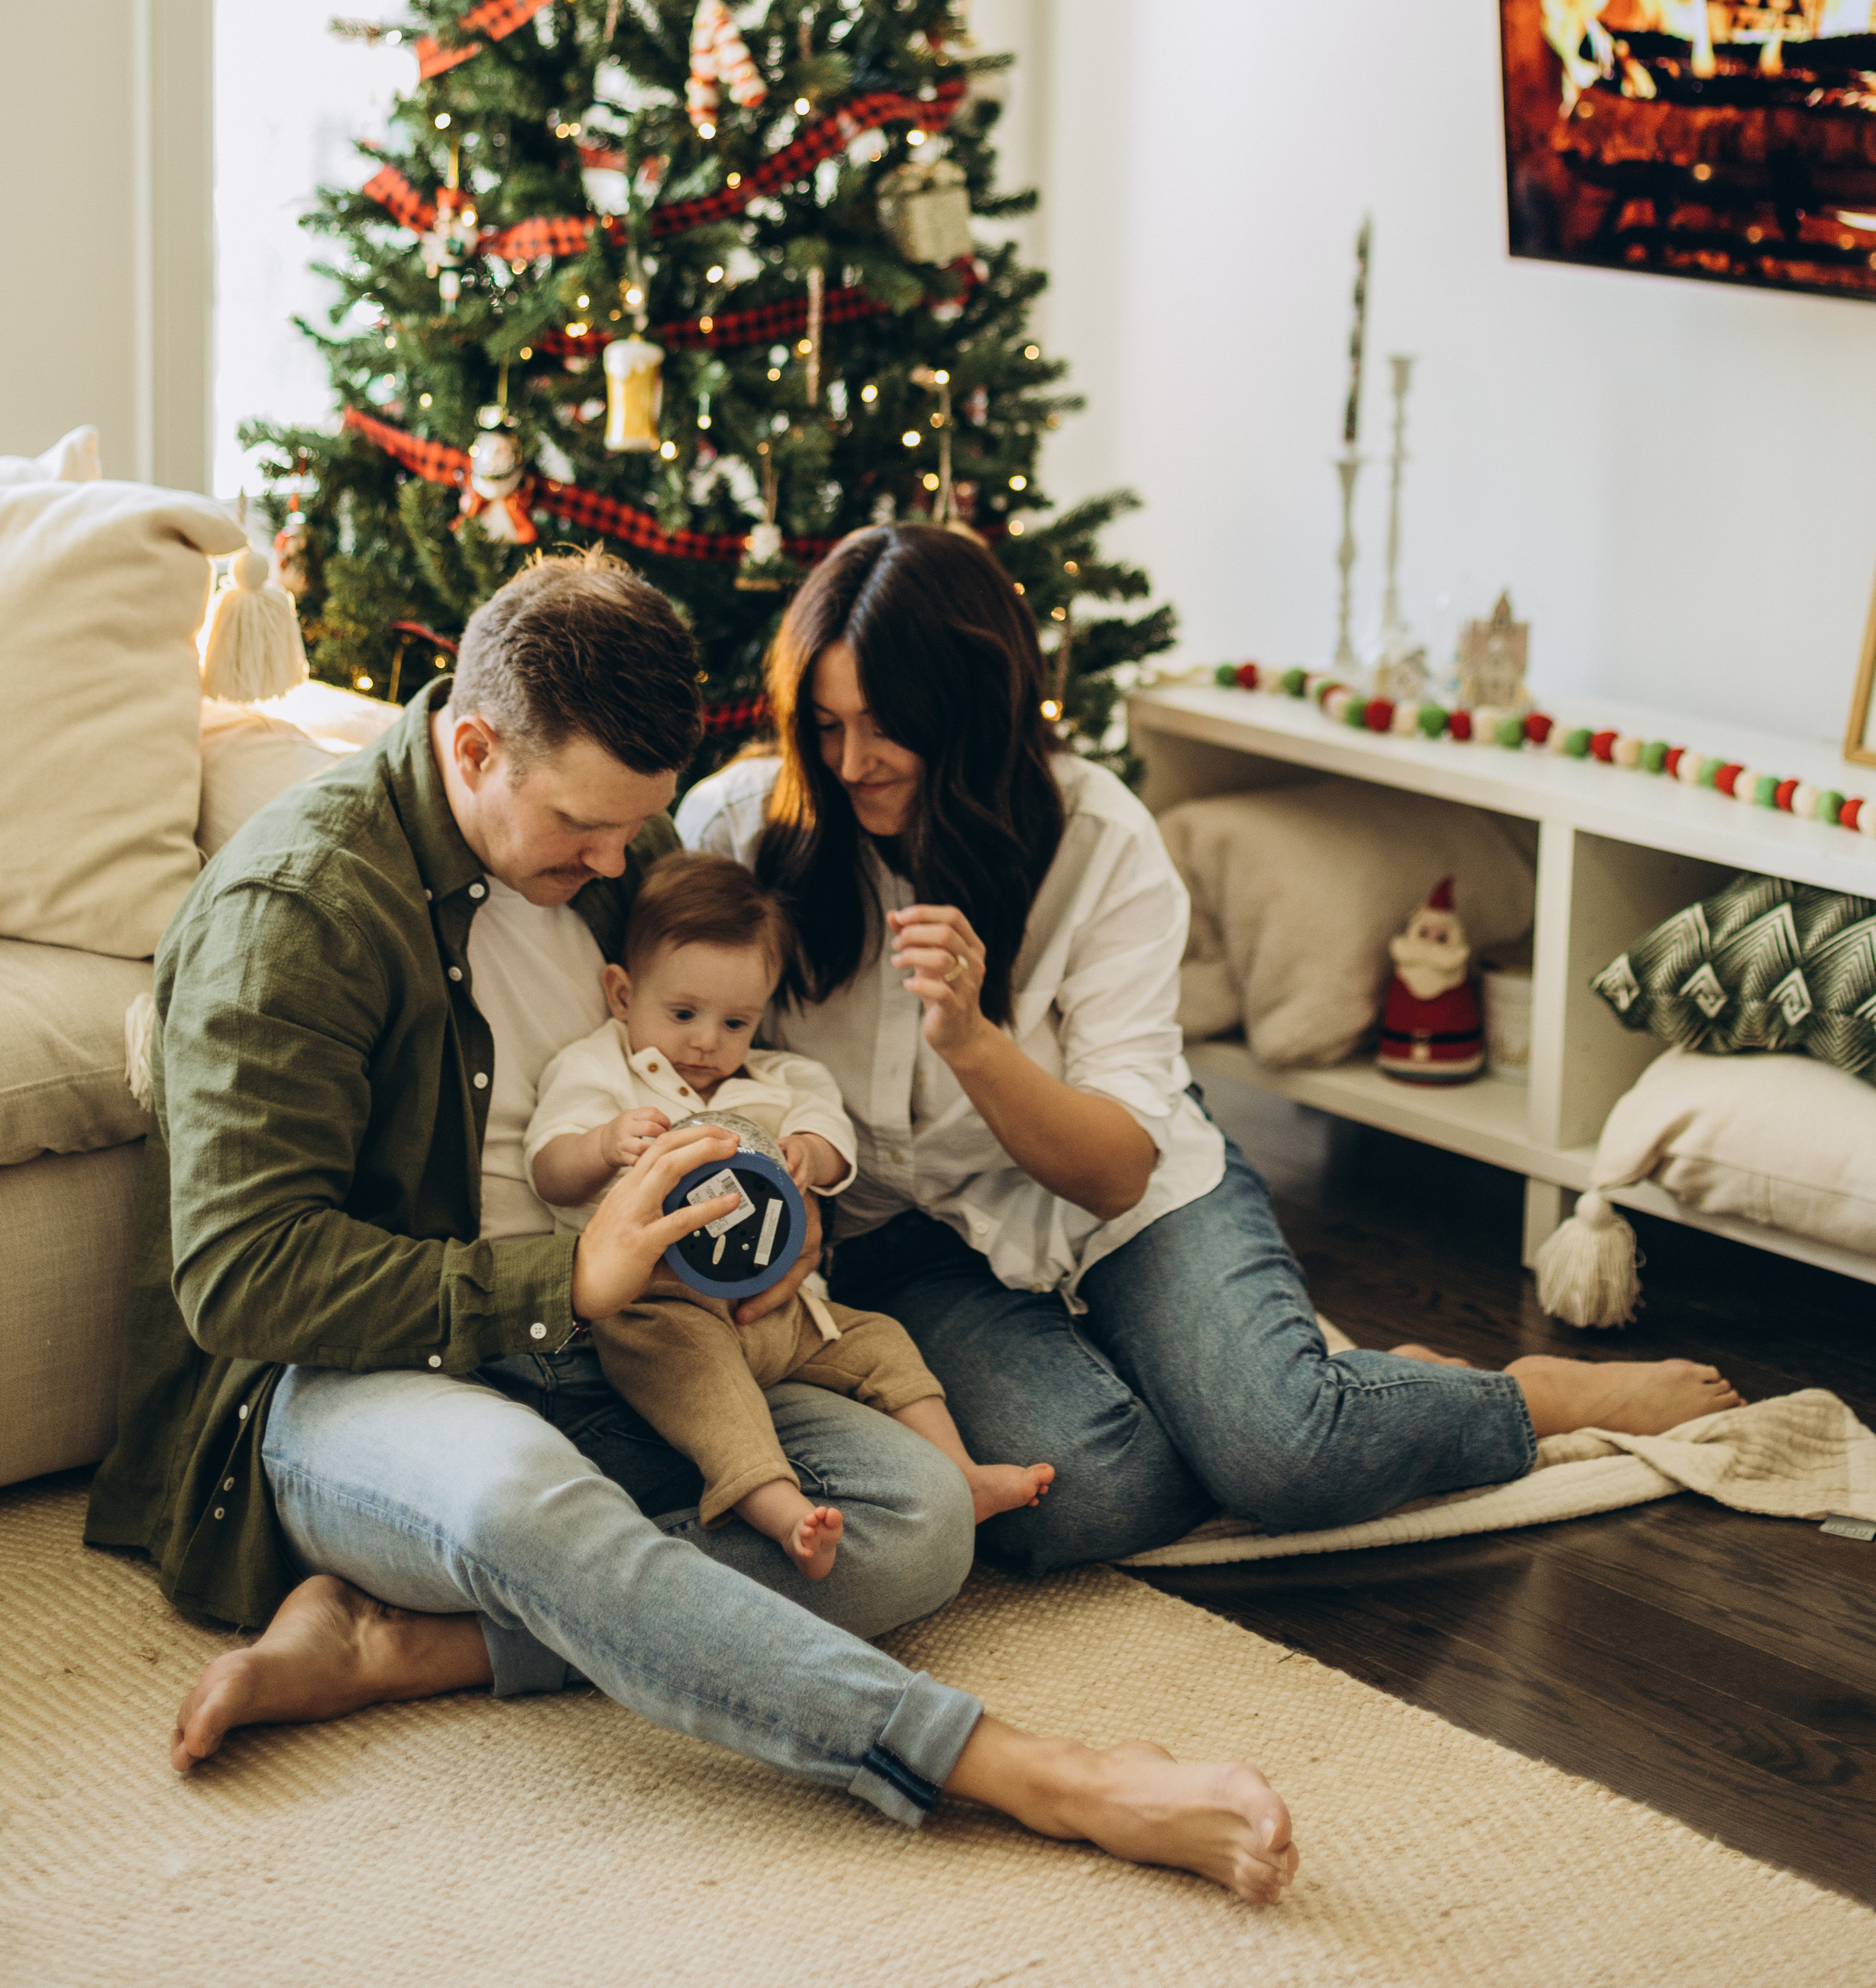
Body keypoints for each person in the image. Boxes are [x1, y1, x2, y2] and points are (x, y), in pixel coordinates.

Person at [85, 549, 1298, 1906]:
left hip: (636, 1345)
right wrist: (571, 1278)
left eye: (636, 828)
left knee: (914, 1517)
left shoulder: (626, 857)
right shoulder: (301, 910)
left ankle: (420, 1646)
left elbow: (740, 1073)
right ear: (473, 749)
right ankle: (1028, 1773)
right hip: (355, 1377)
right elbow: (243, 1281)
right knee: (523, 1500)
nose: (623, 861)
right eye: (584, 830)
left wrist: (769, 1208)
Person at [679, 524, 1746, 1576]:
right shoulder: (740, 830)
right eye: (824, 725)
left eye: (887, 728)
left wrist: (975, 1043)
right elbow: (690, 1059)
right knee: (1089, 1500)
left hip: (1126, 1191)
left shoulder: (1101, 844)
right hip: (906, 1244)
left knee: (1286, 1458)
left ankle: (1511, 1398)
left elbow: (1117, 1170)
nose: (853, 762)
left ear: (971, 713)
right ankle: (1290, 1393)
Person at [524, 848, 1055, 1577]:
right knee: (708, 1393)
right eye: (682, 1014)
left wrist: (809, 1152)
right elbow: (548, 1172)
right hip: (658, 1306)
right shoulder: (601, 1070)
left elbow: (836, 1149)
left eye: (736, 1022)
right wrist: (602, 1144)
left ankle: (959, 1470)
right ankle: (783, 1514)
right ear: (621, 993)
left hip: (782, 1309)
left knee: (884, 1343)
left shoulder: (781, 1083)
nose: (707, 1042)